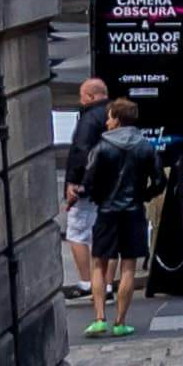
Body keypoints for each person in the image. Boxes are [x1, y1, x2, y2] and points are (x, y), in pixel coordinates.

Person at [82, 98, 163, 337]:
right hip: (133, 211)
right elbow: (159, 181)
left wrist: (99, 197)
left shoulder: (102, 147)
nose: (107, 122)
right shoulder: (145, 147)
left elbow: (89, 180)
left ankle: (99, 317)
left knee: (99, 263)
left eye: (109, 117)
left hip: (107, 211)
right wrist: (143, 195)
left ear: (117, 119)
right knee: (128, 266)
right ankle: (120, 321)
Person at [58, 75, 112, 302]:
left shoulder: (89, 118)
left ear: (90, 96)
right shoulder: (115, 113)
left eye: (82, 97)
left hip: (89, 185)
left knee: (77, 231)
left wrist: (73, 183)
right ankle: (107, 284)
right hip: (112, 185)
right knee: (106, 234)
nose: (81, 102)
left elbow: (80, 151)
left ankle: (87, 282)